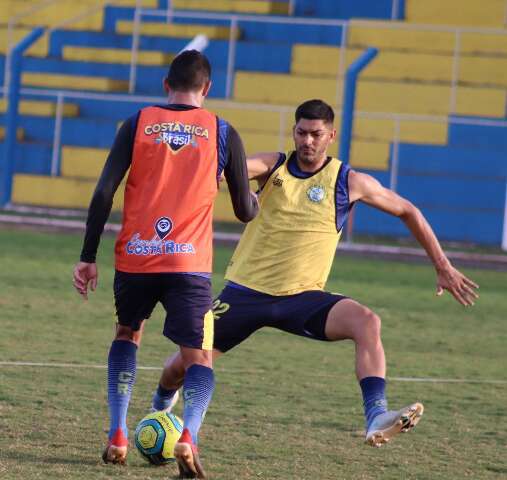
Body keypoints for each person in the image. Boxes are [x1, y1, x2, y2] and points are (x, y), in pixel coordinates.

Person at [150, 99, 479, 452]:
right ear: (293, 131)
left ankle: (376, 416)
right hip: (244, 293)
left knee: (367, 322)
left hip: (302, 298)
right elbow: (230, 169)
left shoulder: (348, 181)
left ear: (331, 136)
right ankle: (158, 410)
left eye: (316, 134)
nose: (307, 141)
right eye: (302, 133)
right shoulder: (273, 165)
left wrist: (442, 265)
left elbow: (408, 210)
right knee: (180, 366)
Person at [72, 50, 258, 479]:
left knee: (127, 334)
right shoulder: (223, 131)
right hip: (189, 262)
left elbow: (103, 192)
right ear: (207, 89)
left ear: (165, 85)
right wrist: (257, 198)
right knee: (198, 360)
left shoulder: (137, 122)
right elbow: (245, 211)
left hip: (135, 256)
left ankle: (118, 433)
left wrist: (87, 256)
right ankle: (188, 436)